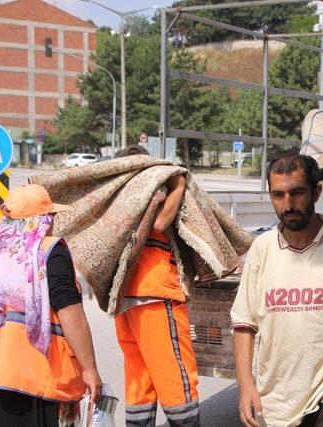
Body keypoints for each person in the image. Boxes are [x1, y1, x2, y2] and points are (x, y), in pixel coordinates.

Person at [231, 154, 323, 427]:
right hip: (274, 399)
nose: (288, 205)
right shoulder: (261, 250)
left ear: (316, 192)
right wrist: (245, 386)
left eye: (297, 193)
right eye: (278, 195)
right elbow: (244, 326)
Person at [0, 184, 102, 426]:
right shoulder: (49, 252)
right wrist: (89, 368)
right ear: (43, 219)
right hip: (38, 380)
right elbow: (71, 313)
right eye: (50, 216)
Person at [114, 145, 201, 426]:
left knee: (140, 380)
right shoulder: (148, 194)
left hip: (124, 299)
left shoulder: (117, 201)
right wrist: (178, 185)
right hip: (156, 293)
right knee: (177, 378)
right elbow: (162, 222)